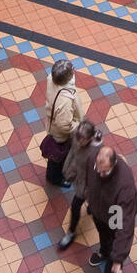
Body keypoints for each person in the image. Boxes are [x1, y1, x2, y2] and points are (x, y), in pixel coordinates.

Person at [86, 145, 137, 273]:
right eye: (98, 170)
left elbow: (126, 225)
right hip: (99, 211)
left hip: (115, 215)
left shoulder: (124, 186)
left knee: (114, 257)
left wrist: (119, 258)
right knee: (104, 237)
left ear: (113, 166)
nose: (100, 174)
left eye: (105, 172)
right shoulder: (93, 158)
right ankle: (104, 251)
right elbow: (88, 178)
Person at [57, 119, 103, 250]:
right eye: (78, 137)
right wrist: (67, 168)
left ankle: (71, 232)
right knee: (77, 205)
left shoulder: (96, 152)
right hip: (80, 180)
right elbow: (72, 152)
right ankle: (71, 231)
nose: (79, 140)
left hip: (90, 185)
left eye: (82, 139)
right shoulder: (77, 137)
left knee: (76, 206)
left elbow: (99, 172)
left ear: (90, 138)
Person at [42, 58, 84, 187]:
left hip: (52, 123)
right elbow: (64, 125)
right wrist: (77, 126)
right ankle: (54, 177)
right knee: (58, 155)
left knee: (59, 155)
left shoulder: (51, 79)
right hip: (60, 134)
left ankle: (56, 171)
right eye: (72, 70)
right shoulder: (65, 100)